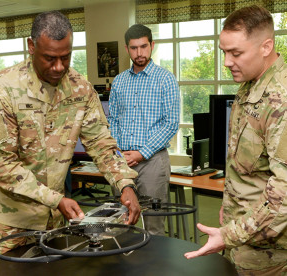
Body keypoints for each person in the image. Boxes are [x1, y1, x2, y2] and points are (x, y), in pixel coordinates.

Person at [0, 11, 140, 260]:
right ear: (31, 46)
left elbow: (101, 143)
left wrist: (125, 183)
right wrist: (56, 199)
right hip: (6, 224)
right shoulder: (1, 90)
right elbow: (0, 164)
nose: (59, 67)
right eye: (49, 58)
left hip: (53, 223)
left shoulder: (81, 89)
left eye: (65, 57)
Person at [184, 5, 287, 275]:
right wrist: (228, 211)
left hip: (269, 252)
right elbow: (243, 166)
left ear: (266, 47)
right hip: (241, 235)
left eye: (236, 53)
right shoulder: (249, 86)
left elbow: (284, 195)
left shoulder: (282, 100)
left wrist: (230, 233)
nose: (227, 62)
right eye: (224, 52)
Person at [108, 24, 180, 235]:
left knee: (154, 224)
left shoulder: (165, 79)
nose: (139, 53)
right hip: (122, 162)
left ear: (152, 45)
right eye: (134, 48)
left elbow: (171, 123)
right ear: (126, 49)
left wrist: (141, 153)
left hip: (153, 162)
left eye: (143, 46)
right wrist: (119, 154)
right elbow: (112, 120)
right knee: (121, 221)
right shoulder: (119, 82)